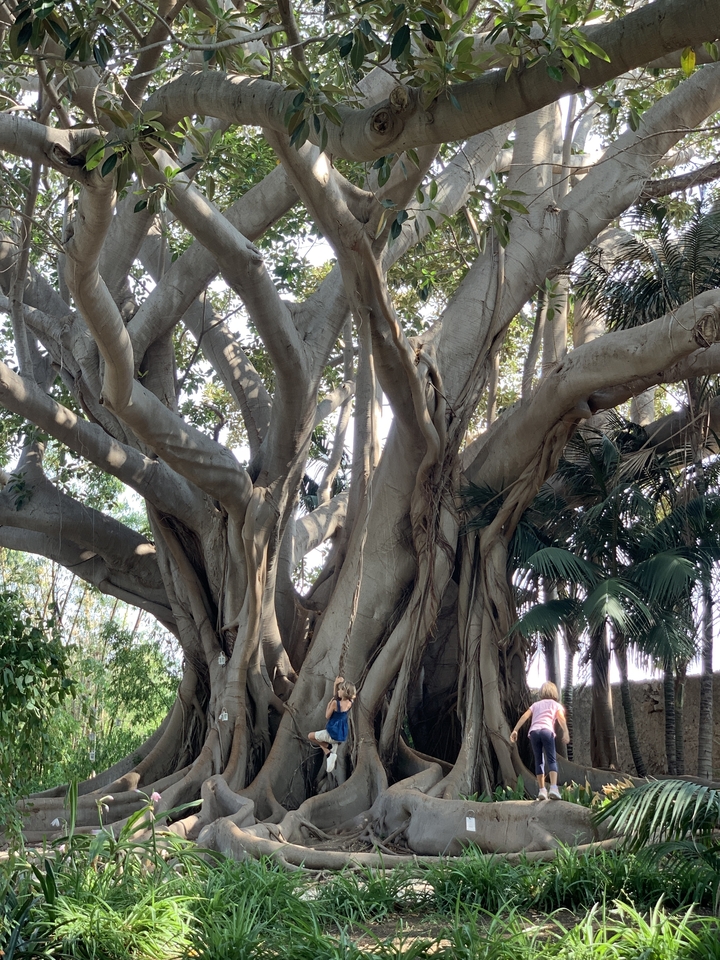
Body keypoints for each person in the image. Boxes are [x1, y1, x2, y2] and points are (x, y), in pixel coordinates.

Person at [510, 681, 570, 800]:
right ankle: (553, 788)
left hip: (534, 732)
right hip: (547, 731)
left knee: (539, 760)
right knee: (551, 759)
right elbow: (561, 719)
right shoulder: (556, 705)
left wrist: (515, 730)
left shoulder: (536, 705)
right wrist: (566, 731)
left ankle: (542, 790)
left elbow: (524, 716)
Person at [308, 675, 356, 773]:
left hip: (332, 733)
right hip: (341, 734)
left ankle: (328, 751)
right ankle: (331, 749)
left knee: (311, 736)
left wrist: (329, 705)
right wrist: (335, 684)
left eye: (340, 690)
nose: (338, 691)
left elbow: (327, 716)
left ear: (344, 692)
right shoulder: (350, 702)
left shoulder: (334, 703)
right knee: (321, 740)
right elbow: (337, 698)